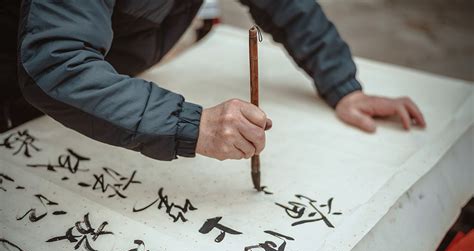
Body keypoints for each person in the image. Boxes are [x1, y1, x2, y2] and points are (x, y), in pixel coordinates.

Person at [1, 0, 425, 161]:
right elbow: (57, 64)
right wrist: (193, 125)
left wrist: (344, 87)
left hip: (103, 91)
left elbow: (288, 7)